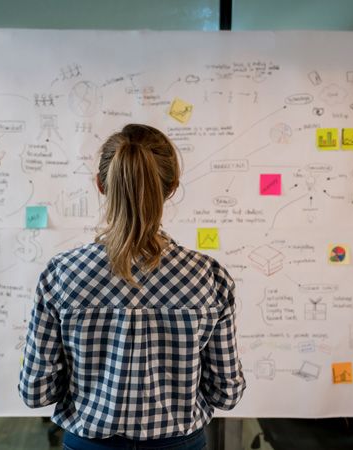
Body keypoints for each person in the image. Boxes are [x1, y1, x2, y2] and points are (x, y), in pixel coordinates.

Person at [19, 124, 245, 450]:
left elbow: (35, 391)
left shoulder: (61, 275)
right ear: (170, 188)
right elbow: (227, 393)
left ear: (100, 184)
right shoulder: (208, 277)